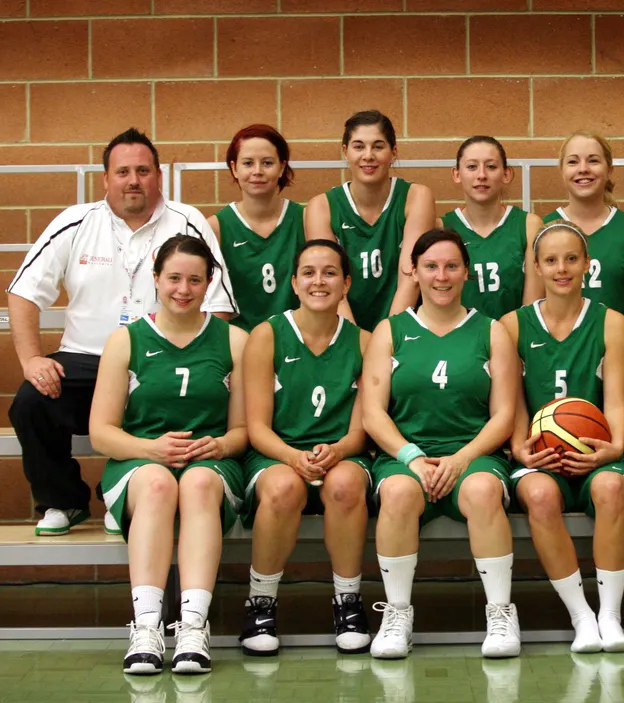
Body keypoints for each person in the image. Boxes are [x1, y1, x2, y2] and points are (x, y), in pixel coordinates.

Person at [6, 128, 236, 537]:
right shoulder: (75, 222)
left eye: (143, 170)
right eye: (123, 171)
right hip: (85, 359)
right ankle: (64, 501)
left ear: (159, 175)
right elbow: (23, 293)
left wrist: (193, 364)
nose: (134, 180)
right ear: (105, 178)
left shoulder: (187, 221)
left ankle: (126, 500)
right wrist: (31, 359)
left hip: (162, 362)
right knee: (30, 402)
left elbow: (217, 307)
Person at [87, 234, 247, 674]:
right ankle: (146, 627)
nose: (183, 289)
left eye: (195, 280)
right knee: (158, 484)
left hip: (210, 462)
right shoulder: (126, 340)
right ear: (155, 279)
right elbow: (101, 433)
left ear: (209, 282)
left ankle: (193, 627)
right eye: (174, 278)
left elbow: (243, 430)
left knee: (196, 482)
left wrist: (219, 445)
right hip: (139, 460)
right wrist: (150, 449)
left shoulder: (234, 341)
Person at [362, 228, 519, 659]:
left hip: (473, 454)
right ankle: (396, 614)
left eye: (451, 266)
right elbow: (372, 412)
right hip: (405, 456)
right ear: (414, 271)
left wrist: (462, 457)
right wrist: (411, 457)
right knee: (395, 492)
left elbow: (505, 413)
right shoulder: (391, 330)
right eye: (430, 266)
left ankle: (500, 612)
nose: (441, 276)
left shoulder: (491, 331)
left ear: (466, 272)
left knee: (484, 490)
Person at [236, 239, 376, 657]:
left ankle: (348, 602)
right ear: (294, 282)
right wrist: (292, 457)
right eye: (309, 273)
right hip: (278, 451)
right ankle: (260, 603)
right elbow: (257, 427)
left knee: (347, 484)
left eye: (330, 272)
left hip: (340, 453)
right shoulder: (266, 335)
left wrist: (339, 449)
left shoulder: (365, 342)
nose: (320, 281)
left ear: (346, 283)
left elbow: (362, 429)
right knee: (283, 489)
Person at [501, 220, 624, 654]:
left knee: (612, 486)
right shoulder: (512, 325)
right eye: (551, 260)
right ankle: (582, 616)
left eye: (571, 259)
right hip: (539, 456)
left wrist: (612, 447)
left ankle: (611, 615)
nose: (562, 268)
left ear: (587, 265)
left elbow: (616, 398)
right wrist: (520, 446)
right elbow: (512, 399)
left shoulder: (611, 322)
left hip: (597, 450)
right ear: (536, 267)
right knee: (540, 497)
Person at [305, 110, 436, 330]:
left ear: (393, 152)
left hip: (403, 328)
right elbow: (329, 285)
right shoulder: (322, 206)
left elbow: (410, 278)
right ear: (345, 152)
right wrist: (356, 340)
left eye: (378, 146)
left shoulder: (416, 197)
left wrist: (388, 336)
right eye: (358, 146)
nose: (368, 155)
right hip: (342, 329)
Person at [208, 124, 303, 331]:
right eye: (248, 163)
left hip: (297, 342)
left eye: (267, 163)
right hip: (238, 343)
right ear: (234, 168)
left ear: (282, 167)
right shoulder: (215, 227)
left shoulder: (305, 219)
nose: (257, 171)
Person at [440, 135, 543, 319]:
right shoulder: (442, 228)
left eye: (491, 166)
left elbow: (531, 311)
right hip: (459, 341)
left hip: (514, 340)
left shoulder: (528, 225)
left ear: (506, 174)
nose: (481, 175)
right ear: (457, 174)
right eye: (472, 166)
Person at [542, 131, 624, 316]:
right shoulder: (543, 229)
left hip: (615, 341)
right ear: (562, 170)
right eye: (573, 161)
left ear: (609, 170)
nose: (583, 169)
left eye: (593, 160)